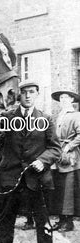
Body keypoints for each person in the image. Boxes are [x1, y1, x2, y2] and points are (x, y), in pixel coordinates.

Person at [0, 80, 61, 243]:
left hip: (36, 178)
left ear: (37, 94)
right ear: (19, 95)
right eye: (25, 92)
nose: (28, 96)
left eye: (32, 92)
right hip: (10, 177)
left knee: (42, 220)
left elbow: (55, 148)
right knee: (6, 219)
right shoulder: (7, 117)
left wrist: (42, 161)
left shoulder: (46, 119)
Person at [49, 89, 80, 231]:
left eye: (66, 98)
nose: (63, 100)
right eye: (61, 98)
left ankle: (69, 221)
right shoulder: (58, 116)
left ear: (72, 100)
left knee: (68, 189)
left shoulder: (76, 115)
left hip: (70, 156)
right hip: (58, 154)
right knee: (59, 188)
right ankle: (61, 220)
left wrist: (68, 147)